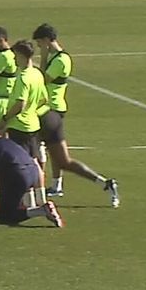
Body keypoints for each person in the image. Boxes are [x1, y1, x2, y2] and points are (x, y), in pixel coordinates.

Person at [33, 24, 119, 207]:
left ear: (47, 40)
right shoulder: (54, 57)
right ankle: (59, 186)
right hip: (48, 110)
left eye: (40, 43)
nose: (39, 47)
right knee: (58, 157)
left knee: (36, 151)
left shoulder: (61, 60)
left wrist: (39, 61)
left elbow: (42, 80)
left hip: (51, 111)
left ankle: (32, 191)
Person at [0, 40, 49, 208]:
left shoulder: (23, 77)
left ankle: (28, 201)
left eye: (16, 56)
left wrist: (5, 118)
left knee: (23, 164)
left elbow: (20, 104)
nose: (14, 59)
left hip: (19, 125)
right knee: (35, 162)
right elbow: (44, 99)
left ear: (22, 56)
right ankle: (41, 199)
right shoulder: (37, 74)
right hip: (33, 124)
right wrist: (32, 111)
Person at [0, 137, 64, 228]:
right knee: (8, 206)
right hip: (33, 171)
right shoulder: (1, 143)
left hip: (18, 174)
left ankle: (41, 210)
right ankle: (36, 209)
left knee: (5, 216)